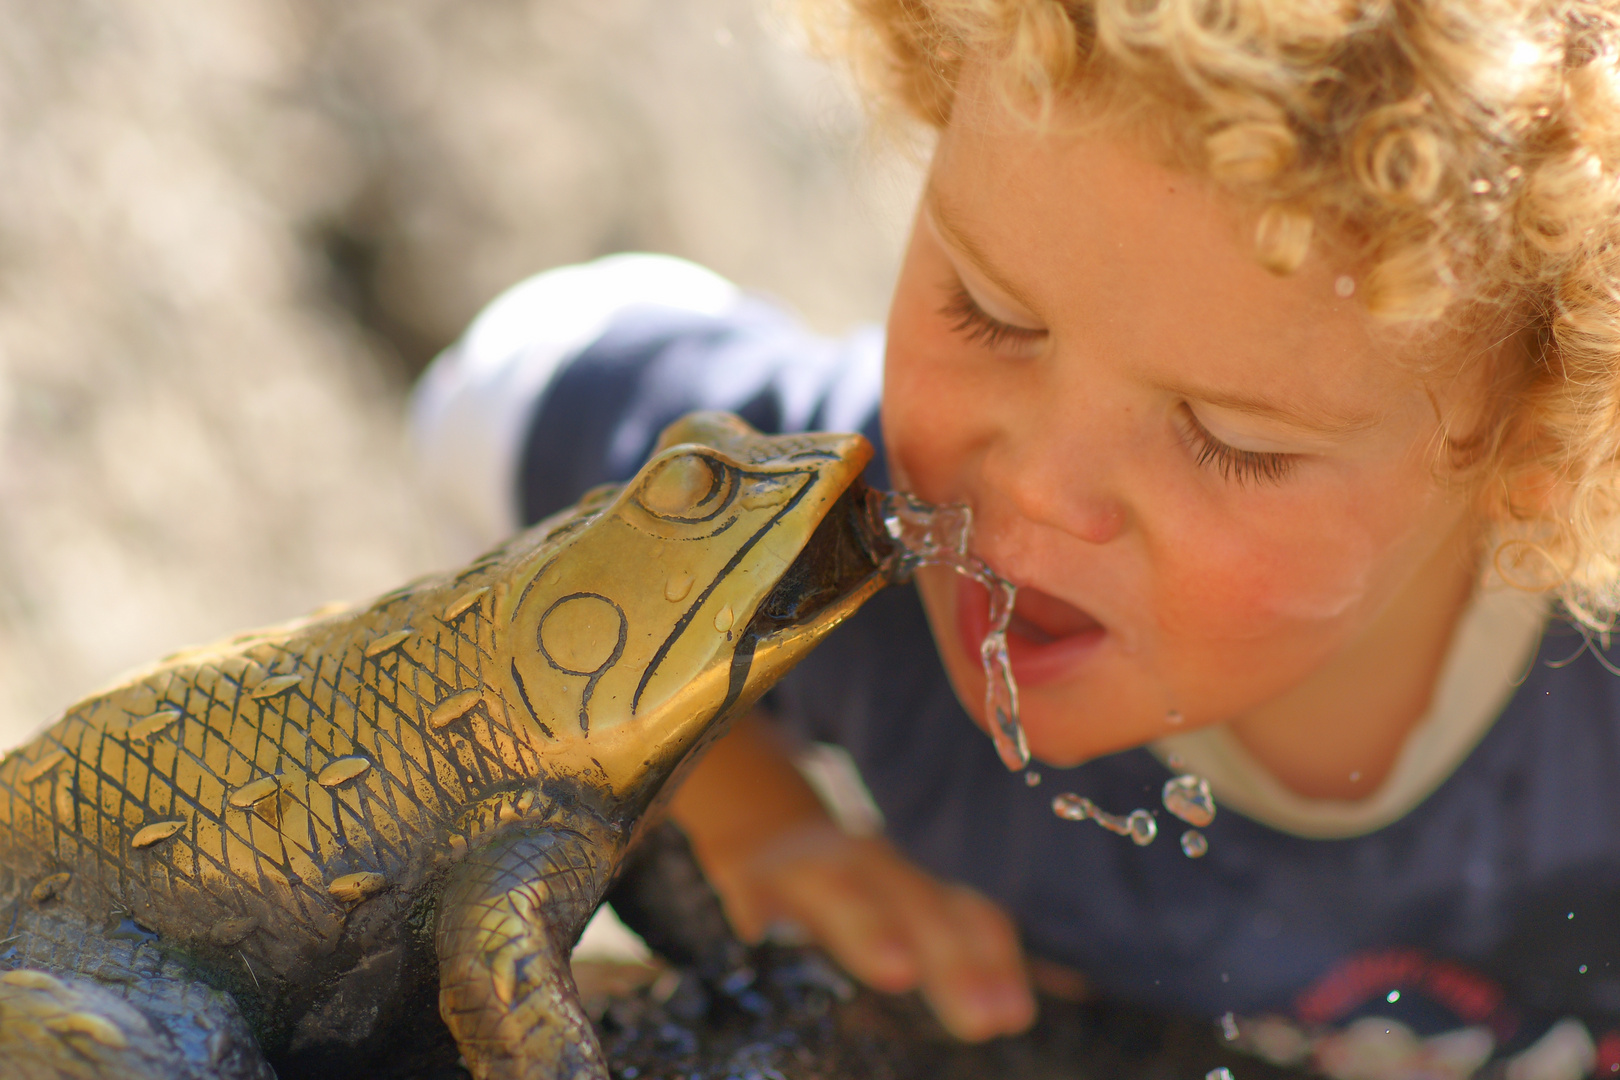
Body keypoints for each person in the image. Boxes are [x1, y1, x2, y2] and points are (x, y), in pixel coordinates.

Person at [411, 3, 1620, 1076]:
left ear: (1535, 451)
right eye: (988, 312)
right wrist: (743, 816)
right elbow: (501, 389)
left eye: (1229, 440)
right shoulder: (834, 547)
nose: (1035, 490)